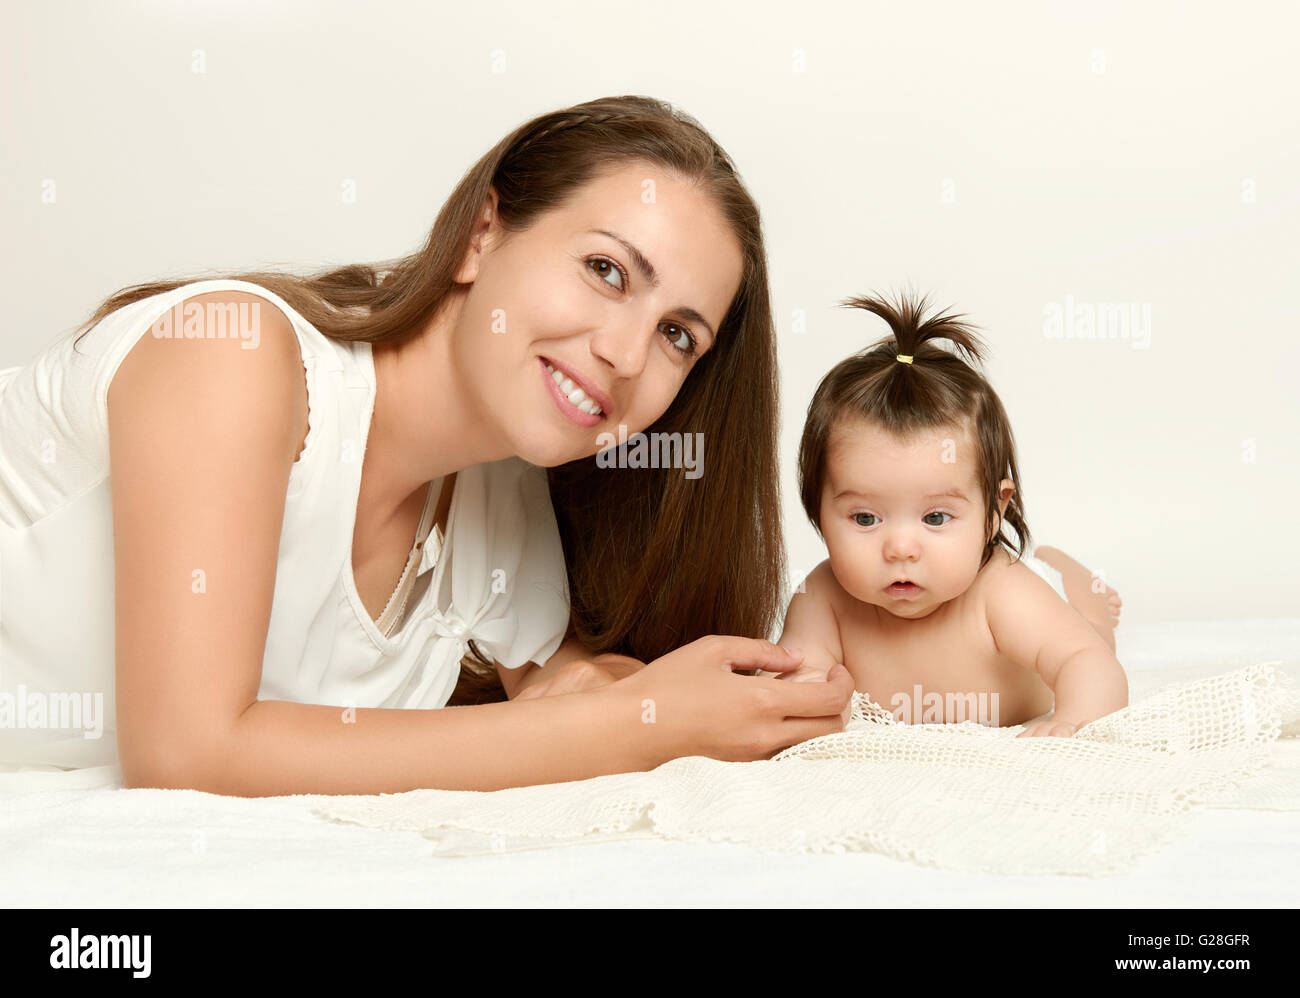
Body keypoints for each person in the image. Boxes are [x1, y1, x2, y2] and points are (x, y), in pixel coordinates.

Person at [0, 95, 852, 795]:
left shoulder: (496, 493)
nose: (626, 356)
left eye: (676, 335)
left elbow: (560, 692)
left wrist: (751, 691)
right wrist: (635, 726)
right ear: (483, 232)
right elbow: (186, 754)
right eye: (605, 271)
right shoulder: (231, 356)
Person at [775, 291, 1127, 737]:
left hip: (1048, 597)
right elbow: (798, 672)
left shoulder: (1000, 593)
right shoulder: (823, 597)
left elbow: (1088, 662)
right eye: (865, 519)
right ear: (818, 511)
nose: (900, 548)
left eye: (936, 518)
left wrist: (1073, 720)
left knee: (1094, 632)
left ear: (994, 511)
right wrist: (805, 692)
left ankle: (1073, 579)